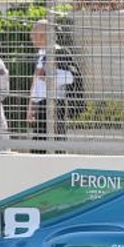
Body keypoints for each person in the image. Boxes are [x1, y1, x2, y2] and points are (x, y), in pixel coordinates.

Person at [26, 19, 74, 151]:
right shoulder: (40, 54)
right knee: (38, 142)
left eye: (34, 34)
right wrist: (31, 106)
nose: (32, 38)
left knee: (56, 140)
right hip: (40, 104)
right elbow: (35, 81)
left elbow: (71, 77)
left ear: (44, 35)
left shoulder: (60, 52)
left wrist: (48, 76)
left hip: (54, 103)